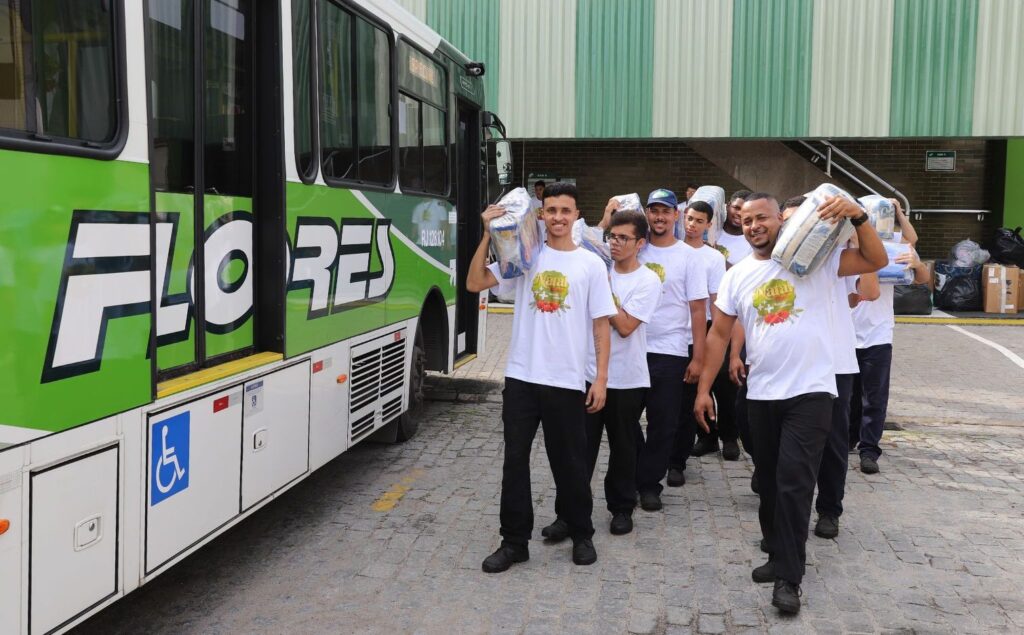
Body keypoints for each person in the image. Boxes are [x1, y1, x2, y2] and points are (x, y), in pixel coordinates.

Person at [695, 192, 887, 614]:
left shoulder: (815, 260)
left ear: (780, 220)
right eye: (747, 220)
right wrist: (703, 389)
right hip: (762, 394)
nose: (754, 226)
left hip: (811, 392)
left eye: (762, 217)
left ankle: (789, 578)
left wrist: (858, 217)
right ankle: (776, 551)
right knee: (768, 482)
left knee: (794, 483)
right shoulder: (737, 274)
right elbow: (718, 334)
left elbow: (875, 260)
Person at [467, 182, 617, 573]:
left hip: (567, 381)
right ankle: (514, 542)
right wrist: (487, 234)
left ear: (576, 215)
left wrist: (601, 379)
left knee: (570, 463)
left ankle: (581, 533)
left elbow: (601, 326)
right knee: (514, 462)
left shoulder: (591, 265)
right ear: (541, 214)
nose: (558, 218)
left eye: (565, 211)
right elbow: (475, 283)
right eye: (551, 210)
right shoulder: (524, 256)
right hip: (522, 377)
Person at [547, 209, 661, 538]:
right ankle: (568, 515)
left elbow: (625, 326)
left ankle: (622, 508)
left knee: (623, 448)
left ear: (640, 243)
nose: (615, 243)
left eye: (624, 238)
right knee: (578, 450)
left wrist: (603, 289)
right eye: (612, 236)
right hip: (586, 373)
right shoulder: (593, 270)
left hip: (627, 378)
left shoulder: (648, 280)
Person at [780, 195, 862, 541]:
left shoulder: (835, 257)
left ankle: (829, 509)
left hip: (835, 362)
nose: (793, 227)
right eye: (786, 221)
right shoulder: (777, 262)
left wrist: (856, 228)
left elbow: (869, 284)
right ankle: (782, 513)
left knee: (832, 441)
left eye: (799, 220)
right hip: (791, 363)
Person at [632, 188, 709, 509]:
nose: (659, 217)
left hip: (671, 351)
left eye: (665, 211)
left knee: (663, 423)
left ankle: (650, 484)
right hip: (632, 347)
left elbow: (698, 309)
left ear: (676, 215)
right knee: (624, 420)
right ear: (646, 214)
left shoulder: (689, 256)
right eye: (654, 210)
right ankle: (637, 470)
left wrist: (699, 358)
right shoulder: (635, 249)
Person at [849, 200, 928, 474]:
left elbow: (920, 271)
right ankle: (847, 439)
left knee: (874, 397)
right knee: (848, 396)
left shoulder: (891, 245)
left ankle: (869, 450)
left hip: (878, 335)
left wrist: (900, 213)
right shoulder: (841, 248)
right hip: (844, 334)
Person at [677, 201, 740, 461]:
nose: (692, 225)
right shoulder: (675, 251)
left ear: (708, 225)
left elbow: (717, 299)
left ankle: (730, 437)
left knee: (723, 384)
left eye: (699, 221)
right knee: (693, 386)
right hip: (682, 330)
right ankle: (707, 436)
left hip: (711, 326)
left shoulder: (713, 257)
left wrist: (721, 332)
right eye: (689, 218)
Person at [716, 189, 753, 267]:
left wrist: (715, 255)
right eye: (736, 208)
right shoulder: (711, 230)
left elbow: (743, 273)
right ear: (728, 206)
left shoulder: (752, 243)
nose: (740, 213)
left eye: (745, 211)